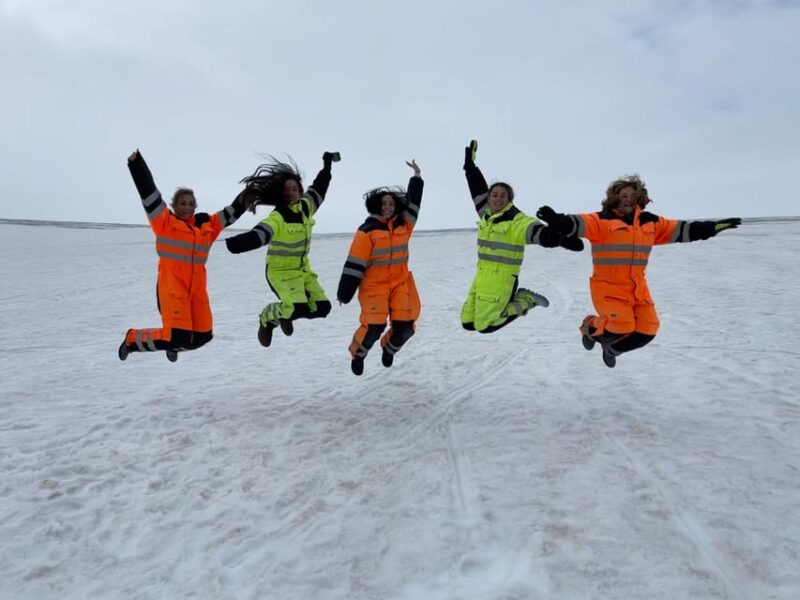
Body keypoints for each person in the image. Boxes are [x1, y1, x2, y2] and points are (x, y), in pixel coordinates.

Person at [537, 175, 741, 368]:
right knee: (622, 326)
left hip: (637, 289)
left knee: (648, 329)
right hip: (608, 288)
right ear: (614, 198)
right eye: (623, 195)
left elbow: (680, 229)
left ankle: (612, 349)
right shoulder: (602, 220)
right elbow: (579, 223)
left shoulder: (649, 222)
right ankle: (590, 327)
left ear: (640, 198)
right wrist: (557, 219)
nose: (628, 200)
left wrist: (711, 228)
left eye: (632, 196)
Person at [118, 149, 254, 362]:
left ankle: (175, 346)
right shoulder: (164, 223)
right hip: (172, 290)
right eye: (182, 203)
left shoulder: (206, 227)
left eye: (191, 203)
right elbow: (149, 194)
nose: (187, 207)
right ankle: (132, 339)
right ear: (174, 205)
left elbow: (231, 213)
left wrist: (251, 193)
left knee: (202, 337)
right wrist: (137, 165)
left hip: (197, 293)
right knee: (176, 336)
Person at [461, 140, 583, 333]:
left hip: (502, 280)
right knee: (467, 322)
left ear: (509, 199)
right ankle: (518, 302)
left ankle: (525, 300)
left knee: (486, 326)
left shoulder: (516, 220)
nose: (498, 198)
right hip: (482, 276)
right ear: (489, 197)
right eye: (495, 195)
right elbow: (476, 187)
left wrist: (559, 238)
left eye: (503, 196)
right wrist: (469, 166)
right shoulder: (486, 212)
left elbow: (537, 232)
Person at [225, 152, 339, 347]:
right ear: (280, 193)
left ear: (301, 192)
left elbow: (319, 187)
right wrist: (237, 243)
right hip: (280, 273)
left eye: (295, 189)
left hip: (303, 271)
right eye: (287, 189)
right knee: (296, 308)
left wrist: (327, 165)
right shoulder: (278, 216)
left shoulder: (306, 207)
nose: (291, 192)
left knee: (323, 308)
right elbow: (262, 233)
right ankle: (267, 318)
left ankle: (286, 315)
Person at [337, 160, 423, 376]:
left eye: (391, 204)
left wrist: (417, 177)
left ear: (396, 206)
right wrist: (345, 292)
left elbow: (415, 203)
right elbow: (355, 264)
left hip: (400, 283)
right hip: (374, 287)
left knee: (405, 327)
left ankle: (389, 348)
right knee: (374, 327)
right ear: (377, 205)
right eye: (383, 204)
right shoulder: (367, 231)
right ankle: (359, 354)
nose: (387, 207)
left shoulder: (404, 225)